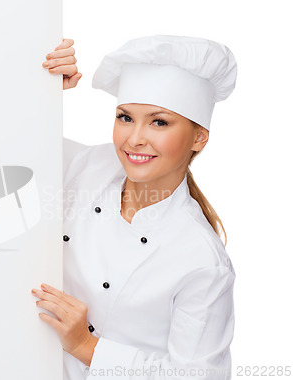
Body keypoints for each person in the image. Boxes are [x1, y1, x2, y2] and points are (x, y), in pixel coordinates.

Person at [31, 35, 237, 380]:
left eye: (159, 122)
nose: (135, 138)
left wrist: (86, 346)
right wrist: (41, 89)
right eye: (125, 118)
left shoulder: (202, 261)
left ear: (199, 137)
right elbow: (7, 148)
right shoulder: (84, 167)